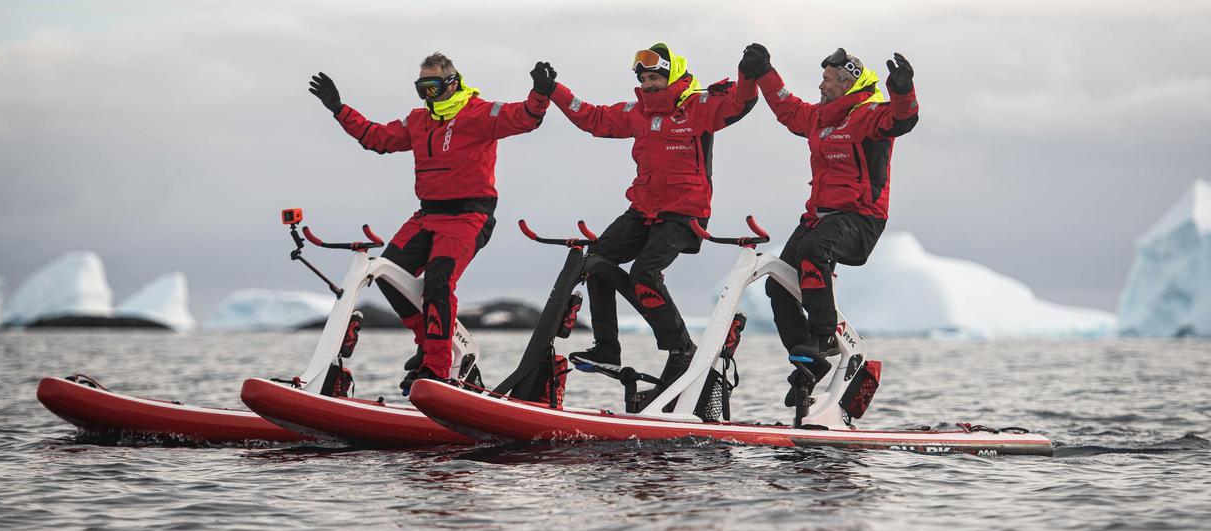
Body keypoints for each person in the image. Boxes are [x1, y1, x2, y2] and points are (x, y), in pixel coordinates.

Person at [308, 52, 557, 392]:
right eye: (420, 88)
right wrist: (338, 108)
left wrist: (540, 94)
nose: (427, 95)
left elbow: (525, 117)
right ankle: (429, 346)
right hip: (428, 214)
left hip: (470, 215)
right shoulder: (417, 121)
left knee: (439, 280)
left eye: (433, 86)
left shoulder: (480, 113)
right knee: (387, 272)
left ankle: (437, 369)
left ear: (452, 83)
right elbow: (376, 138)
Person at [545, 43, 759, 389]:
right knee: (596, 260)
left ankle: (680, 348)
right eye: (643, 78)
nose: (648, 84)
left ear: (671, 75)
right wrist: (554, 90)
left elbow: (740, 103)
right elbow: (593, 118)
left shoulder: (698, 107)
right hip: (643, 209)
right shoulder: (638, 111)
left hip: (683, 212)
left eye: (655, 77)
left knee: (644, 273)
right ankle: (607, 349)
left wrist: (749, 74)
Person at [740, 43, 918, 391]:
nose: (821, 86)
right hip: (818, 217)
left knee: (813, 251)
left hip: (860, 218)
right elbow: (788, 109)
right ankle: (810, 363)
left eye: (827, 80)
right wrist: (764, 73)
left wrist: (902, 91)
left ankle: (823, 336)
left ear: (847, 83)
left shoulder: (869, 115)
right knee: (778, 286)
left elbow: (903, 119)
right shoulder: (819, 118)